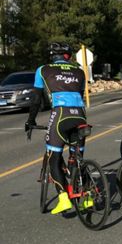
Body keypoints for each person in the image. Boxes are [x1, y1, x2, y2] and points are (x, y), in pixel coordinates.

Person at [25, 42, 89, 214]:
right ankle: (86, 197)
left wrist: (30, 121)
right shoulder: (80, 71)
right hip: (80, 115)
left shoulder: (43, 70)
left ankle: (63, 198)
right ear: (68, 56)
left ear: (52, 56)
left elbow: (36, 100)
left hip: (61, 115)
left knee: (54, 158)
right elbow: (80, 95)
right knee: (77, 158)